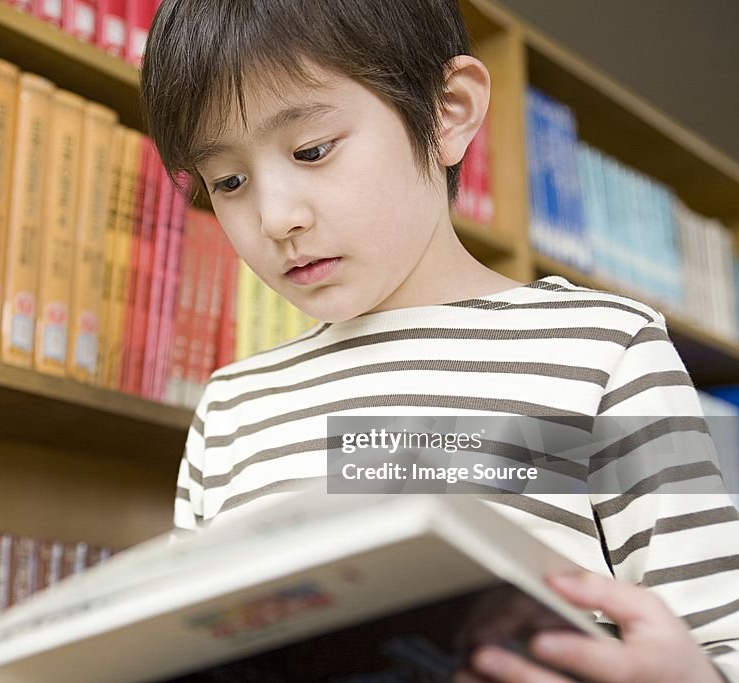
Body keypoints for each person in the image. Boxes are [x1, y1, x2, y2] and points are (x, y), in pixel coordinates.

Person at [139, 1, 739, 681]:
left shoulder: (602, 348)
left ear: (448, 111)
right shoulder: (232, 409)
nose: (275, 217)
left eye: (312, 150)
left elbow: (719, 639)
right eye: (229, 182)